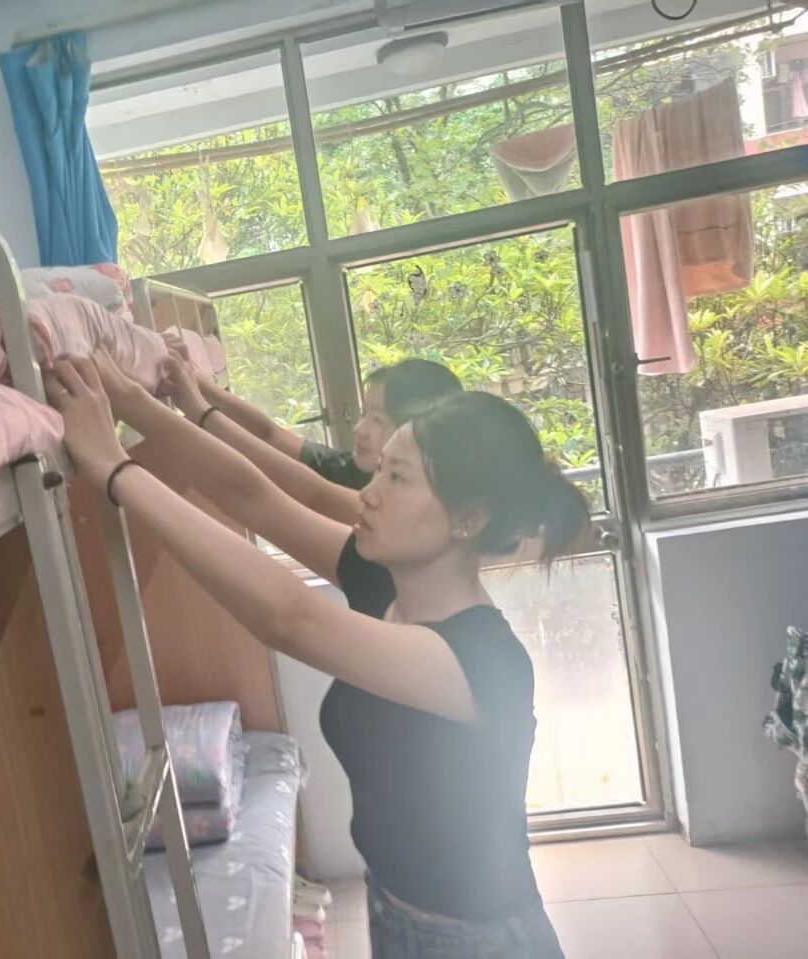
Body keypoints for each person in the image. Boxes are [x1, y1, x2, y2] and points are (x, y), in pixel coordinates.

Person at [42, 350, 586, 959]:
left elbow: (289, 618)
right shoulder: (384, 583)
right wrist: (132, 402)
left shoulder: (484, 660)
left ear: (469, 518)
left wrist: (115, 470)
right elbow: (252, 496)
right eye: (379, 472)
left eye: (397, 478)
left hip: (480, 942)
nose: (367, 495)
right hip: (394, 914)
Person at [172, 347, 462, 524]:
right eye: (364, 414)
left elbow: (314, 496)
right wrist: (202, 387)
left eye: (377, 420)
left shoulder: (405, 508)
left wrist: (198, 411)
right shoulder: (361, 471)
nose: (359, 429)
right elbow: (270, 435)